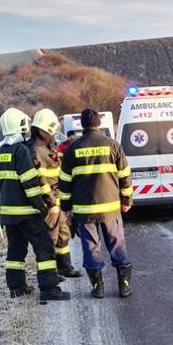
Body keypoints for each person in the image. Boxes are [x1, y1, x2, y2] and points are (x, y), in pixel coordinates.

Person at [0, 108, 70, 303]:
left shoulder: (0, 153)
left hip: (9, 215)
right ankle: (49, 289)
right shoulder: (21, 151)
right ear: (21, 125)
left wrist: (1, 212)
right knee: (44, 248)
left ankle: (16, 288)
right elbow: (30, 183)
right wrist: (42, 206)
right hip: (27, 213)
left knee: (15, 252)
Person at [58, 109, 134, 298]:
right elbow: (125, 176)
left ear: (82, 125)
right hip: (110, 209)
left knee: (91, 247)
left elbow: (64, 183)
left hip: (85, 212)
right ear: (98, 124)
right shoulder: (113, 145)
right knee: (117, 245)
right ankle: (124, 286)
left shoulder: (72, 149)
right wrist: (126, 200)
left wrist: (65, 208)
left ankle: (98, 288)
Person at [29, 108, 82, 278]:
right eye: (51, 132)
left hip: (57, 199)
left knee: (63, 234)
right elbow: (40, 180)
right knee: (49, 238)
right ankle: (50, 273)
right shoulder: (36, 150)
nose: (53, 135)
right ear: (42, 131)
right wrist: (51, 203)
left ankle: (64, 267)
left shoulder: (47, 148)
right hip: (48, 202)